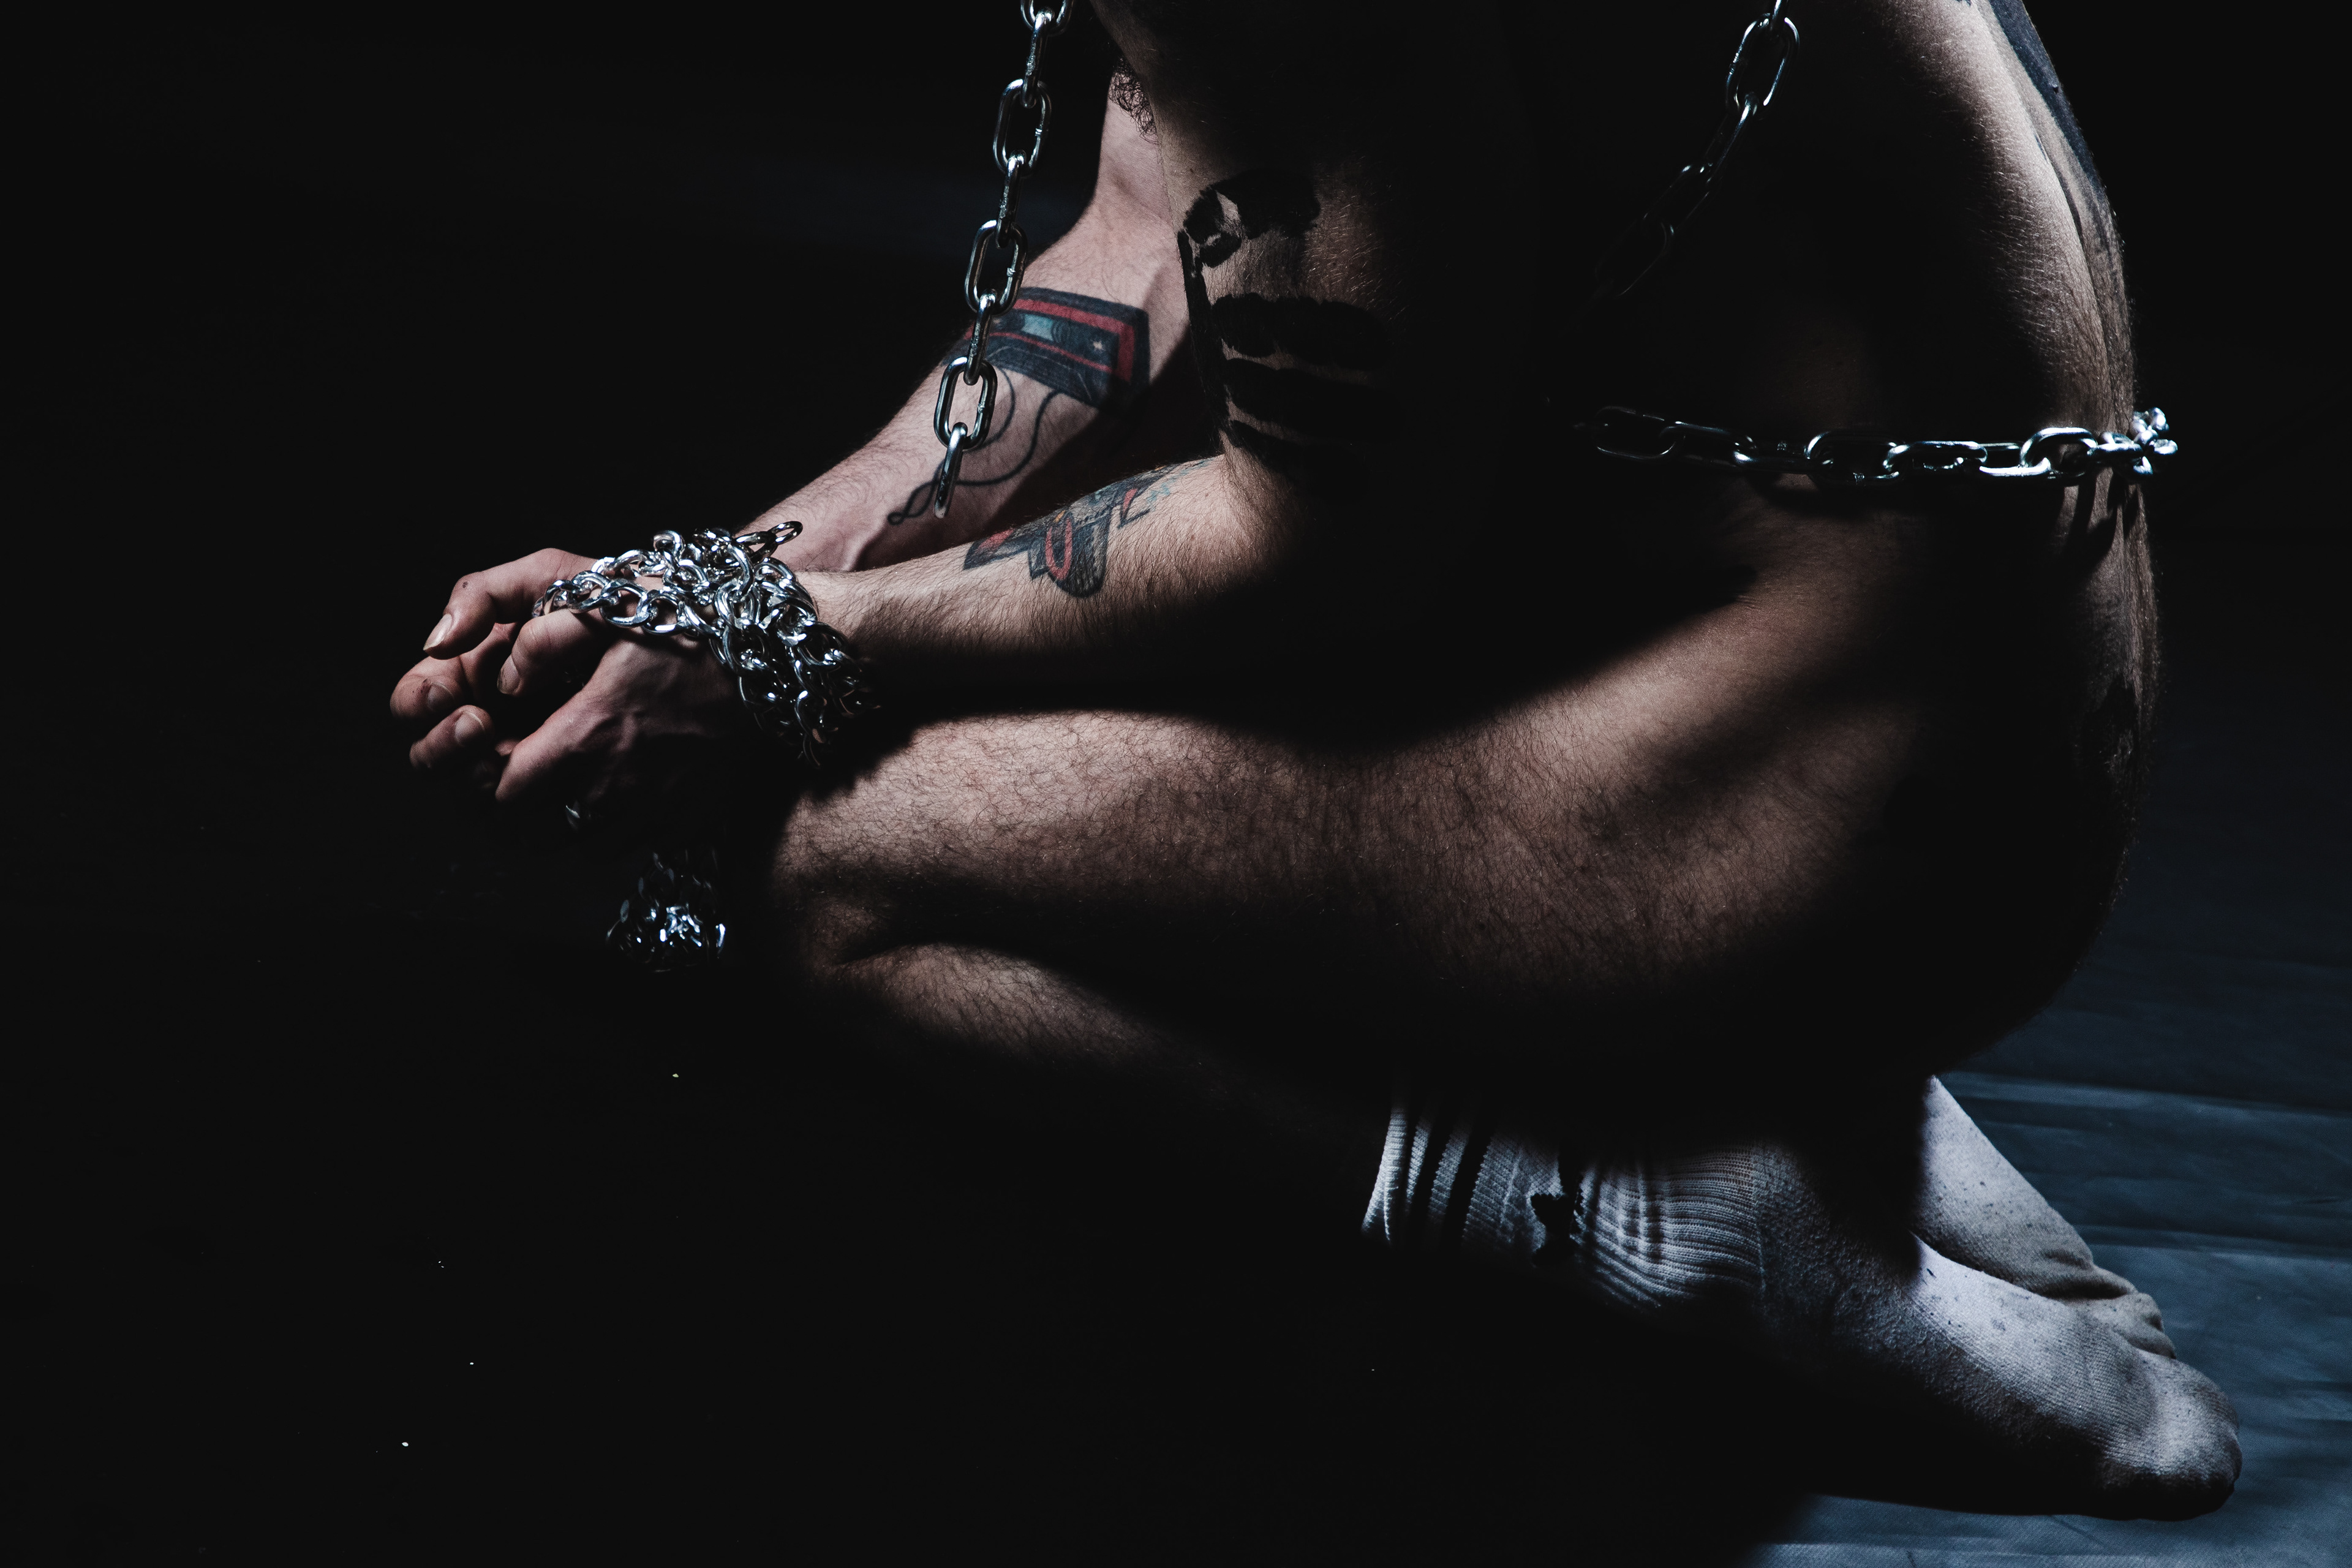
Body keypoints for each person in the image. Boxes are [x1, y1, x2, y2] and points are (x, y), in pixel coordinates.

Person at [391, 0, 2237, 1517]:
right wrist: (722, 588)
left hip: (1844, 816)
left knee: (850, 871)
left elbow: (1318, 544)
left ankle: (1688, 1217)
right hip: (1917, 732)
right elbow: (1148, 235)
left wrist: (781, 648)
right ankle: (1779, 1092)